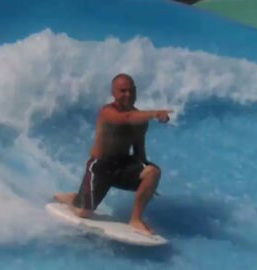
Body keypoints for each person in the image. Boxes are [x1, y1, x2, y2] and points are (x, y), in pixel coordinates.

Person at [53, 73, 172, 235]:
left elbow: (139, 150)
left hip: (123, 165)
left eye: (131, 91)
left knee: (153, 172)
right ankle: (73, 199)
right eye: (123, 91)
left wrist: (149, 182)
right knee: (84, 213)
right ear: (113, 93)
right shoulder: (107, 112)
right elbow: (125, 118)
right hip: (100, 167)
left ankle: (136, 219)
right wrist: (155, 114)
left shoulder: (140, 121)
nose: (127, 95)